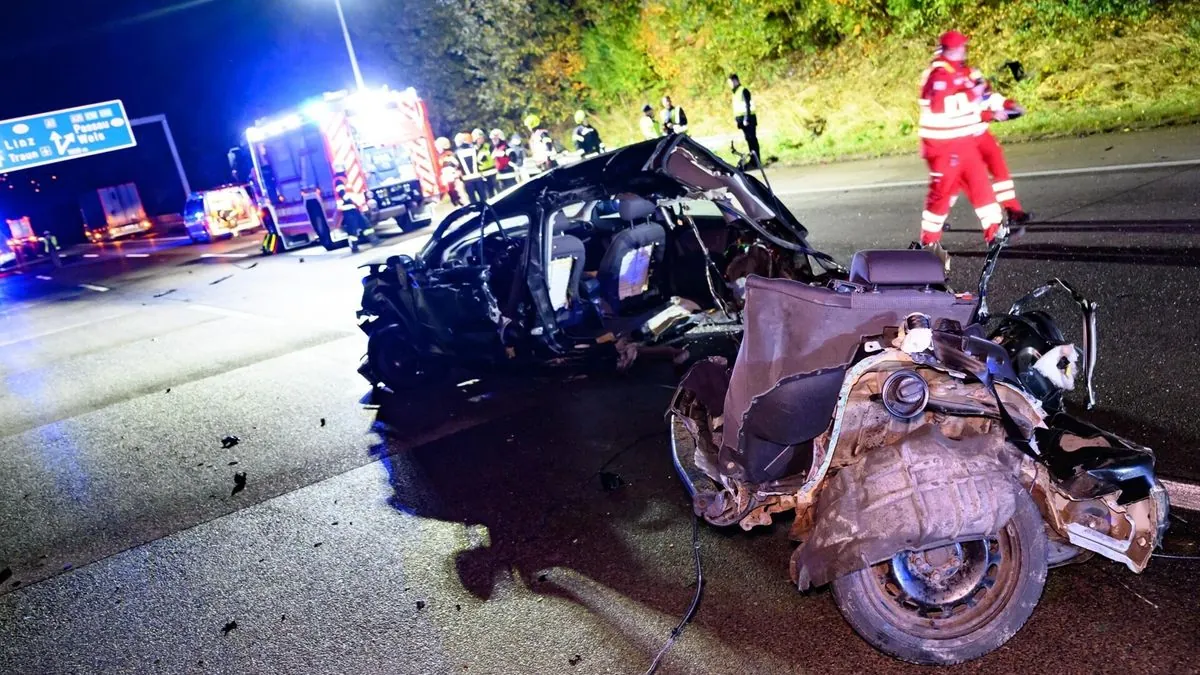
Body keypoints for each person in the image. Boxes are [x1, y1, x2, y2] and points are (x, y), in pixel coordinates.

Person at [916, 30, 1008, 271]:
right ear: (951, 50)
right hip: (943, 147)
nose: (965, 50)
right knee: (942, 195)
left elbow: (976, 99)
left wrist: (995, 109)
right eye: (961, 47)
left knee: (980, 185)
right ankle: (929, 243)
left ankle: (995, 232)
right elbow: (941, 107)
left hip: (962, 142)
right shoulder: (938, 75)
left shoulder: (958, 71)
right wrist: (974, 98)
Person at [728, 74, 760, 167]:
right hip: (742, 120)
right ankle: (753, 160)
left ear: (735, 81)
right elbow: (737, 108)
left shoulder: (743, 91)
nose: (730, 85)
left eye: (730, 82)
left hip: (748, 120)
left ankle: (756, 161)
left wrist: (746, 118)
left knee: (752, 140)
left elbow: (747, 105)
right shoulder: (735, 92)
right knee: (749, 140)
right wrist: (737, 120)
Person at [455, 131, 487, 204]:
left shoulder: (457, 153)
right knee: (484, 199)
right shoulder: (474, 149)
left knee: (473, 201)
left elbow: (457, 167)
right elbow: (483, 160)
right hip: (478, 178)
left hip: (467, 180)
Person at [436, 136, 466, 206]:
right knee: (455, 199)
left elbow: (454, 167)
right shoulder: (442, 156)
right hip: (450, 182)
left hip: (454, 181)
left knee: (461, 198)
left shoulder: (448, 156)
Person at [472, 128, 498, 199]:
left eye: (482, 137)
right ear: (476, 139)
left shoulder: (488, 146)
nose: (482, 139)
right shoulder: (473, 150)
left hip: (492, 172)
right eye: (480, 138)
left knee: (494, 192)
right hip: (482, 174)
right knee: (486, 194)